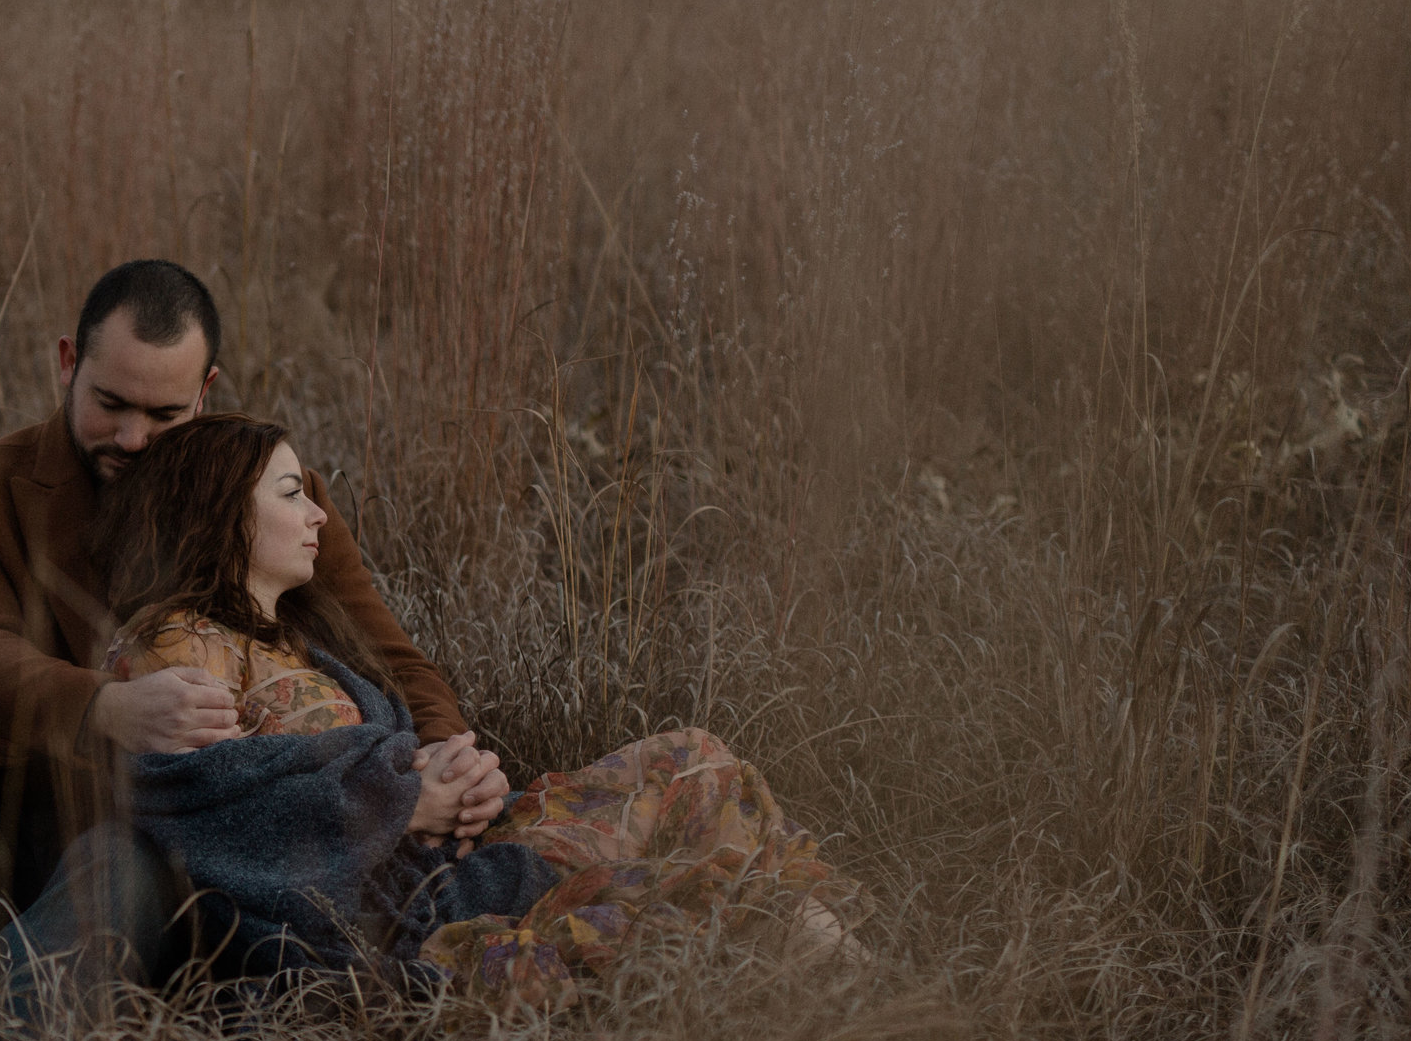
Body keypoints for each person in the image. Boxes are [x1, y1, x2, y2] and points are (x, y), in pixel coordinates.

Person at [0, 261, 510, 1041]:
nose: (132, 437)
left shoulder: (261, 491)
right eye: (110, 403)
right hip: (15, 806)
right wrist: (104, 707)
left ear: (207, 391)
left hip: (198, 843)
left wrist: (445, 756)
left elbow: (388, 652)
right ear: (67, 363)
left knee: (115, 863)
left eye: (163, 414)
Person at [89, 413, 858, 1004]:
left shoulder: (289, 638)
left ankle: (821, 947)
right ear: (225, 512)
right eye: (292, 495)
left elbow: (359, 745)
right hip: (411, 927)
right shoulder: (177, 647)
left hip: (443, 869)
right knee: (682, 890)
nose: (320, 514)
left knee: (690, 758)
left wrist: (451, 771)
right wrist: (399, 797)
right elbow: (211, 809)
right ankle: (830, 972)